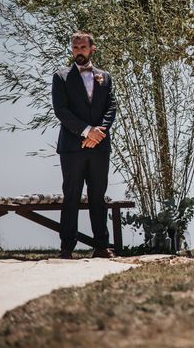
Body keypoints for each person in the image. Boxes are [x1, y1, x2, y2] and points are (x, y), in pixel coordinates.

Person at [52, 32, 117, 259]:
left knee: (98, 196)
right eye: (75, 47)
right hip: (72, 147)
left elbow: (111, 108)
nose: (78, 51)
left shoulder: (105, 77)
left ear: (92, 49)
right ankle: (66, 248)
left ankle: (101, 246)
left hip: (99, 146)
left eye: (82, 47)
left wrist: (99, 132)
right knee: (71, 196)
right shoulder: (60, 77)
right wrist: (87, 131)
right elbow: (61, 111)